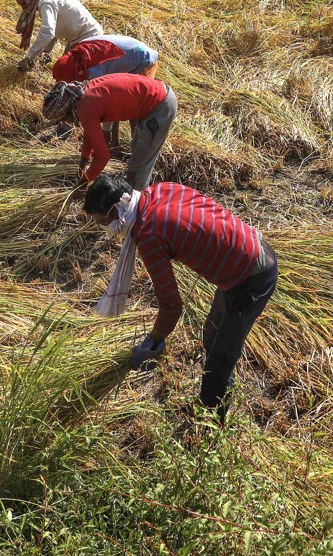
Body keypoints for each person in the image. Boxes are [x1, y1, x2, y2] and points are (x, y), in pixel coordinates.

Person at [83, 175, 278, 418]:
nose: (106, 230)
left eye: (102, 223)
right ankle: (219, 392)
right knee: (212, 335)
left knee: (219, 362)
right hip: (249, 250)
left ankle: (211, 426)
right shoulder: (159, 190)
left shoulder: (149, 233)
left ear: (116, 211)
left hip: (250, 278)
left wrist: (153, 341)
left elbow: (172, 306)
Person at [41, 73, 176, 189]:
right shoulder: (83, 94)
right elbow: (90, 132)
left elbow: (103, 156)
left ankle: (137, 208)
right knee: (137, 152)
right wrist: (83, 163)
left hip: (160, 106)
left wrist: (83, 183)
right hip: (155, 97)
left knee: (139, 167)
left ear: (67, 109)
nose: (67, 122)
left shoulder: (85, 108)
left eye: (64, 118)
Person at [51, 35, 161, 151]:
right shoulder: (78, 56)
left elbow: (108, 100)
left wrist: (105, 132)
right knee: (119, 100)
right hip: (126, 56)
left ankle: (137, 149)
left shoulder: (93, 70)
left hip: (143, 60)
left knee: (134, 105)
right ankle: (115, 144)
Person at [14, 0, 103, 70]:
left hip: (89, 38)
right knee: (65, 69)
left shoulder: (46, 3)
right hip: (78, 38)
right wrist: (45, 51)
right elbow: (54, 29)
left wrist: (29, 57)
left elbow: (48, 31)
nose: (24, 8)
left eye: (24, 4)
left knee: (69, 71)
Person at [50, 35, 160, 83]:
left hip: (144, 60)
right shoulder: (79, 52)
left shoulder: (94, 70)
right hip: (132, 48)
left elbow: (106, 93)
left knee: (138, 104)